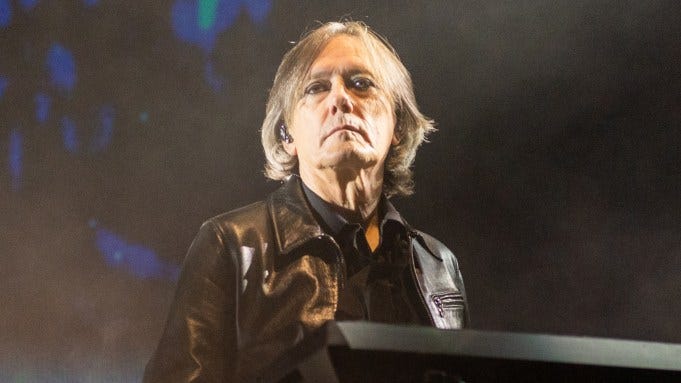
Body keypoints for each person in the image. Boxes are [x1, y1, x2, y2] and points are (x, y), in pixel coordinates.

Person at [143, 21, 468, 383]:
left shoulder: (439, 264)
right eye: (316, 87)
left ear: (399, 126)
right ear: (287, 136)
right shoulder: (231, 247)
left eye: (361, 83)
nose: (341, 99)